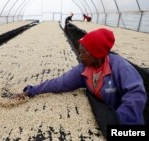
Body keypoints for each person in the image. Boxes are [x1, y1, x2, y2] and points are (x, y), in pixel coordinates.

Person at [12, 28, 147, 125]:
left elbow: (136, 94)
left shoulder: (119, 66)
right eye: (79, 51)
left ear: (96, 53)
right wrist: (30, 91)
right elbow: (59, 83)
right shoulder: (84, 69)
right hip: (107, 113)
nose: (79, 55)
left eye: (83, 52)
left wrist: (118, 120)